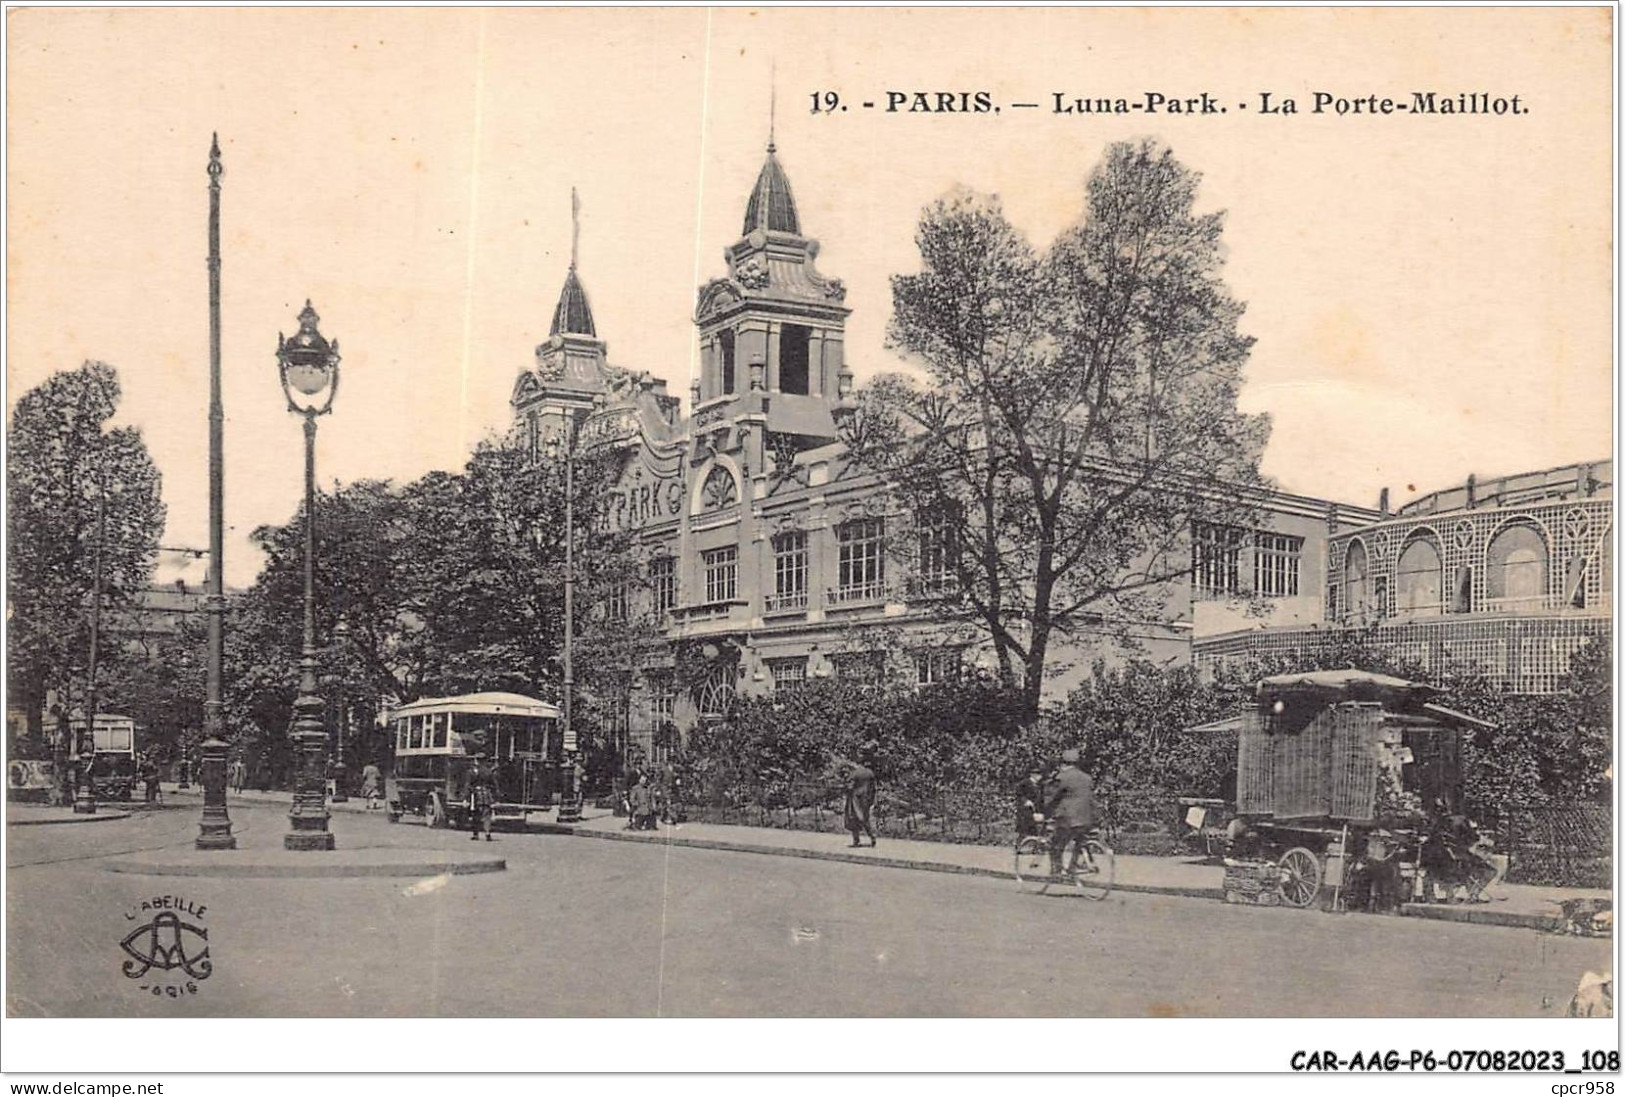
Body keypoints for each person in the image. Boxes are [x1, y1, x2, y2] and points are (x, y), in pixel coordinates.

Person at [1043, 748, 1098, 878]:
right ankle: (1073, 867)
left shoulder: (1062, 777)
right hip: (1086, 818)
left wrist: (1044, 810)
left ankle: (1056, 872)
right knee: (1079, 842)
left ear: (1063, 763)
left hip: (1069, 819)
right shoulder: (1087, 778)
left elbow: (1052, 797)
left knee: (1055, 844)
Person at [843, 756, 877, 849]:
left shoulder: (855, 773)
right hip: (866, 799)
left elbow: (850, 787)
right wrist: (872, 800)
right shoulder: (870, 773)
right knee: (865, 819)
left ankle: (856, 840)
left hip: (855, 800)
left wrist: (846, 787)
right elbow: (874, 788)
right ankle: (872, 836)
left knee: (853, 819)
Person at [467, 760, 495, 841]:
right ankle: (487, 833)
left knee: (476, 815)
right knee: (487, 815)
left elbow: (468, 784)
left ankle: (476, 834)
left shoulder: (473, 771)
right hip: (487, 794)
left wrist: (466, 797)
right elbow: (493, 784)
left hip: (476, 795)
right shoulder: (489, 771)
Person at [1015, 767, 1046, 838]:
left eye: (1040, 774)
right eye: (1037, 774)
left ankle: (1033, 845)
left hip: (1036, 809)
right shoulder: (1024, 783)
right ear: (1032, 774)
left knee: (1035, 829)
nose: (1039, 776)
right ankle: (1020, 845)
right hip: (1025, 810)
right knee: (1024, 829)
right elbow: (1019, 794)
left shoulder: (1040, 785)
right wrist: (1025, 801)